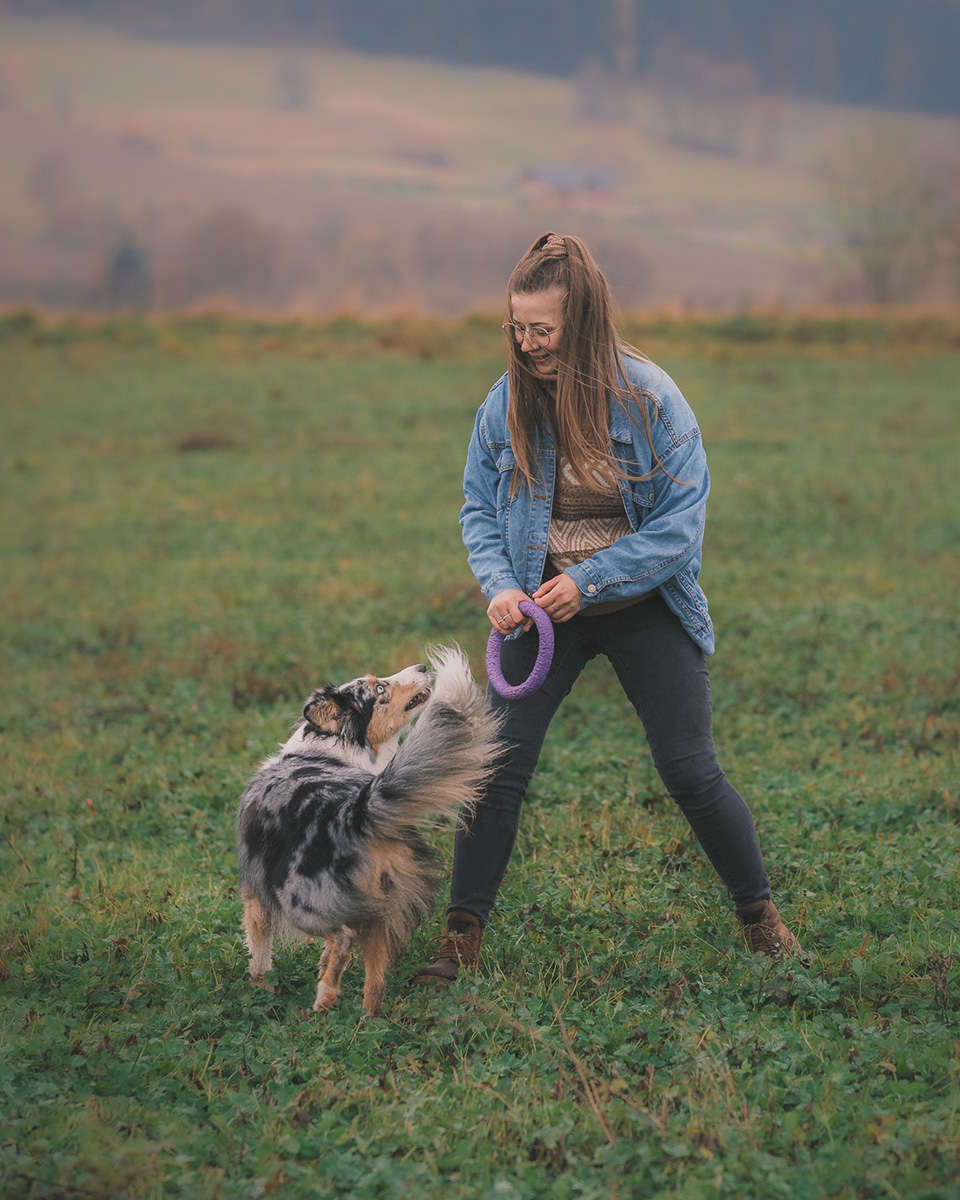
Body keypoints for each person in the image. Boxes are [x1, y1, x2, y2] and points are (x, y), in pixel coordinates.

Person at [411, 232, 799, 987]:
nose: (526, 348)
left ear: (581, 323)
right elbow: (478, 510)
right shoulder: (507, 403)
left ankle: (760, 917)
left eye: (541, 331)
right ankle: (460, 935)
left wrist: (591, 581)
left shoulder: (651, 399)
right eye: (515, 331)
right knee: (493, 769)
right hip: (540, 609)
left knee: (689, 769)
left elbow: (681, 528)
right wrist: (500, 585)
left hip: (642, 602)